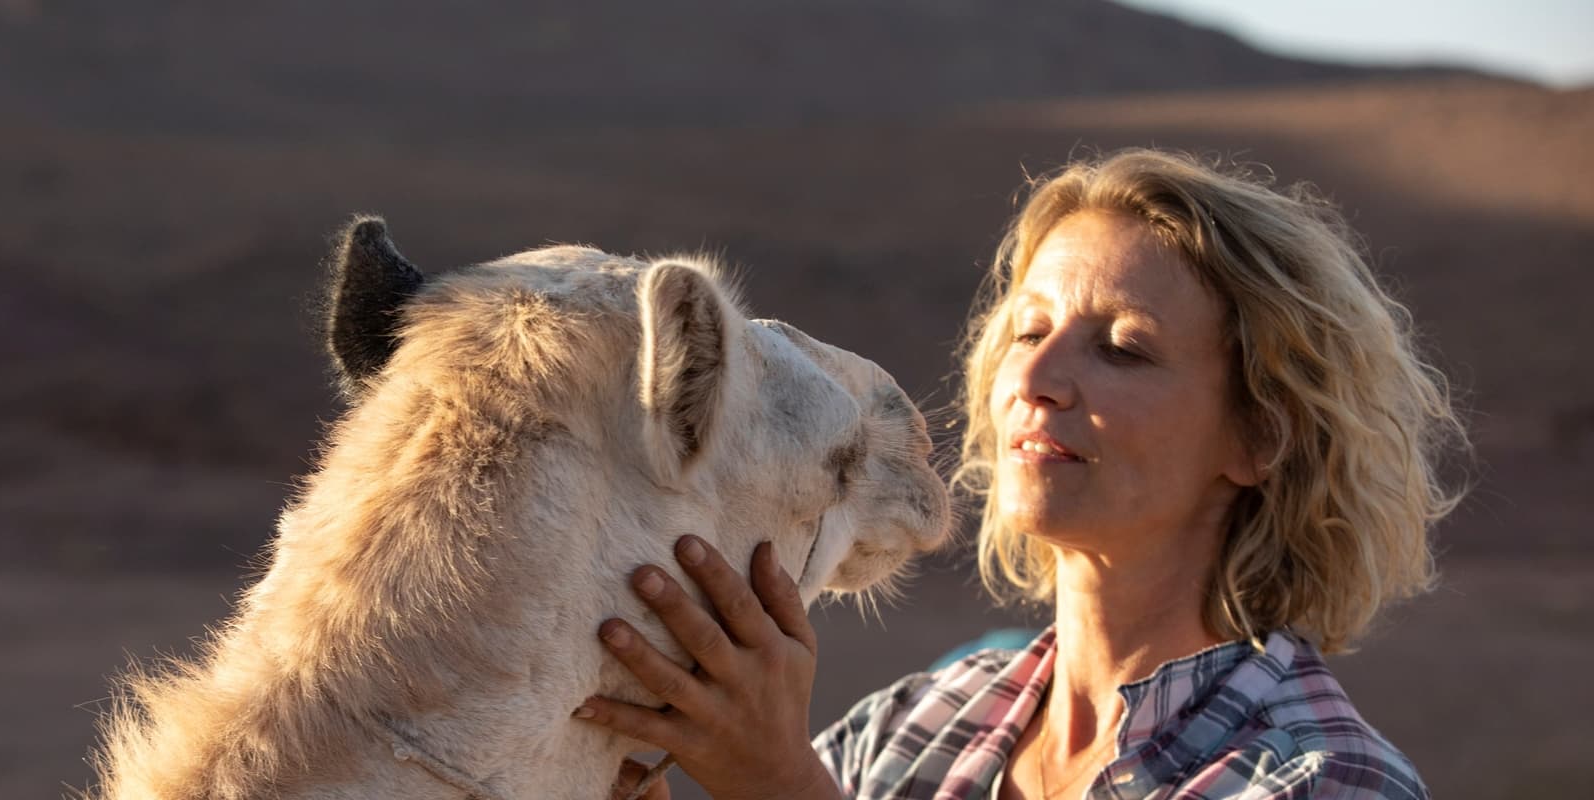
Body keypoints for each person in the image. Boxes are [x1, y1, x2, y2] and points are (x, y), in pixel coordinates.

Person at [573, 148, 1463, 799]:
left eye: (1122, 350)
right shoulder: (914, 727)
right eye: (1030, 332)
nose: (1034, 380)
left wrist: (777, 783)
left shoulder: (1321, 778)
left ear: (1260, 439)